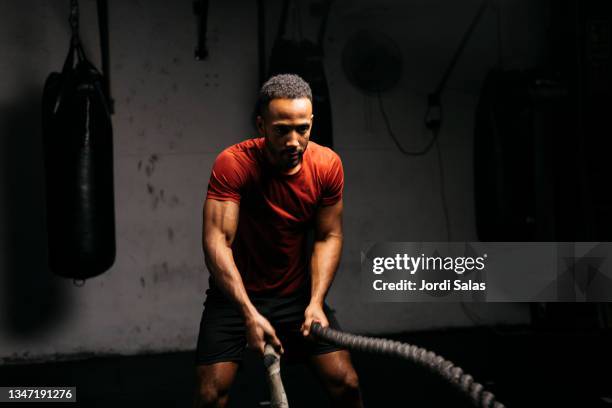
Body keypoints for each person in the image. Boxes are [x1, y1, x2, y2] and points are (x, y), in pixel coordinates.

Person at [194, 74, 363, 408]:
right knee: (211, 394)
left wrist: (315, 301)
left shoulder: (327, 165)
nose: (294, 141)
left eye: (303, 128)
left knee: (347, 384)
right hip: (235, 297)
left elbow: (329, 236)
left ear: (312, 122)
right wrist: (248, 312)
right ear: (261, 125)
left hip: (296, 296)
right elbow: (217, 242)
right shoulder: (234, 164)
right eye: (282, 130)